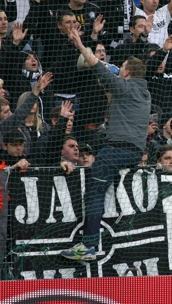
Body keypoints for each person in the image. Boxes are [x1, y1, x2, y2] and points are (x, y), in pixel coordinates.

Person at [61, 28, 151, 261]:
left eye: (122, 69)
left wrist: (81, 46)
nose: (119, 71)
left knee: (93, 193)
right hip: (135, 152)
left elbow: (100, 68)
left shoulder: (125, 86)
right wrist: (115, 73)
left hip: (116, 151)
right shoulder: (144, 92)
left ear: (127, 72)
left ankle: (89, 245)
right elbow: (113, 76)